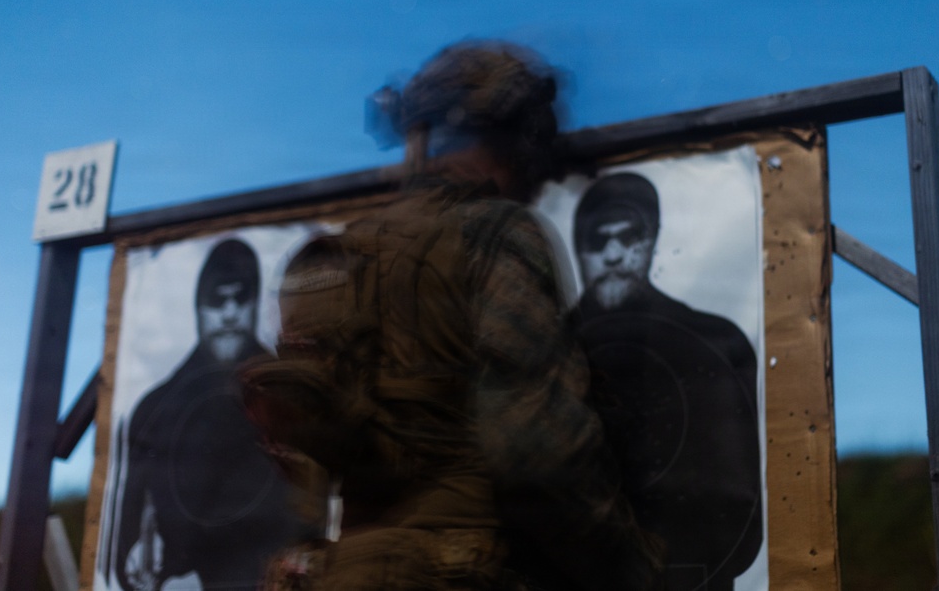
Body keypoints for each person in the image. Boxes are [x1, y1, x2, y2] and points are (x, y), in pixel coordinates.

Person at [240, 42, 662, 591]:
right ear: (516, 141)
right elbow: (536, 449)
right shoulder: (494, 233)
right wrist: (627, 568)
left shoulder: (334, 258)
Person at [571, 172, 762, 591]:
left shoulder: (714, 342)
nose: (615, 254)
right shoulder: (544, 349)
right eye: (597, 241)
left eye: (629, 236)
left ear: (652, 239)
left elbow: (739, 520)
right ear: (579, 248)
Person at [115, 238, 303, 591]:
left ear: (254, 303)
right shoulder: (154, 409)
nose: (230, 313)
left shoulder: (295, 398)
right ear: (198, 307)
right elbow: (128, 539)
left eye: (240, 298)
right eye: (217, 300)